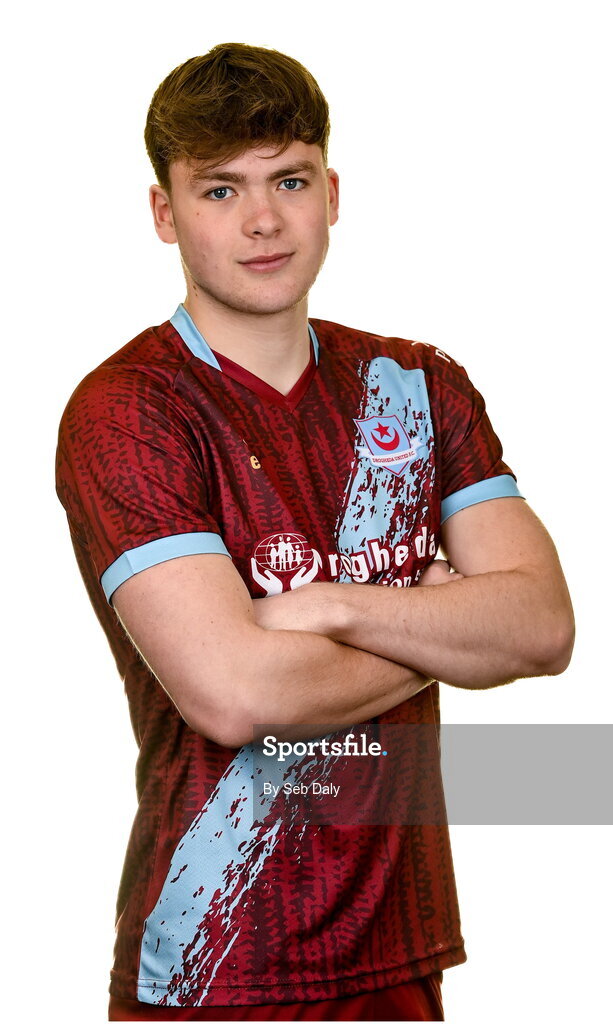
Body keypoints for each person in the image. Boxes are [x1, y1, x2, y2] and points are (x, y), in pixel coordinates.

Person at [55, 42, 574, 1022]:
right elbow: (237, 694)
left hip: (398, 952)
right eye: (219, 190)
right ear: (164, 213)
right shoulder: (130, 410)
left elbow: (541, 623)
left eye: (288, 179)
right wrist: (443, 633)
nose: (261, 219)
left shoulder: (415, 385)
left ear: (330, 192)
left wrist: (334, 605)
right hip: (219, 973)